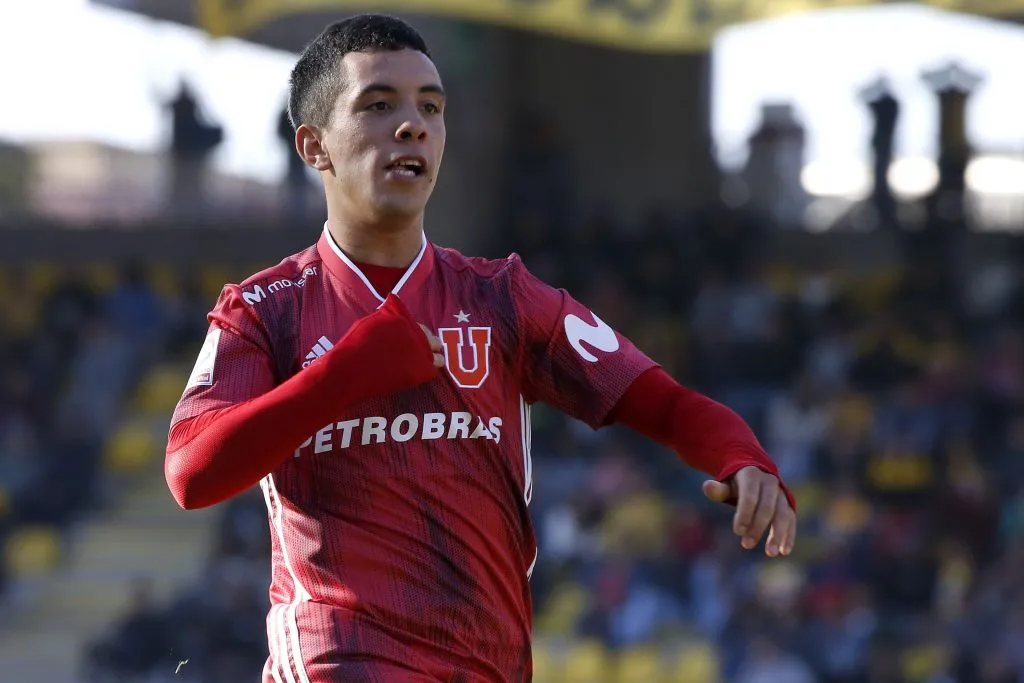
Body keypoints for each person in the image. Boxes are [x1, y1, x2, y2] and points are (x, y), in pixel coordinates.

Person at [164, 14, 797, 683]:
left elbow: (663, 403)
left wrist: (742, 455)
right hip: (337, 662)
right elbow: (191, 472)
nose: (412, 124)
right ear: (314, 145)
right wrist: (342, 375)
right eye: (378, 105)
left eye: (430, 107)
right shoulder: (265, 309)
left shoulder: (504, 300)